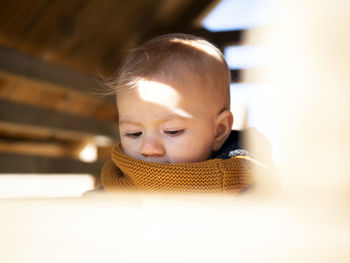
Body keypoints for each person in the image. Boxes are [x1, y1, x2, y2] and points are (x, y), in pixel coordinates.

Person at [100, 33, 255, 193]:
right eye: (134, 133)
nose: (149, 148)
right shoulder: (116, 176)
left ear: (219, 130)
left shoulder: (242, 182)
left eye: (172, 131)